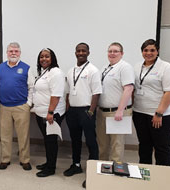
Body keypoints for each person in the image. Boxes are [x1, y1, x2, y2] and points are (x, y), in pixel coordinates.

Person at [64, 43, 101, 189]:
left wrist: (91, 111)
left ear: (88, 53)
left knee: (91, 141)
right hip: (72, 111)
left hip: (86, 111)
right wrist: (67, 109)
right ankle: (76, 164)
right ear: (75, 53)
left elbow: (96, 93)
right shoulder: (70, 70)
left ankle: (93, 171)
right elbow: (68, 92)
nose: (81, 53)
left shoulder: (93, 70)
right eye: (78, 51)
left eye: (83, 51)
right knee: (75, 140)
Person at [133, 39, 170, 166]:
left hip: (160, 115)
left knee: (161, 147)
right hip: (139, 112)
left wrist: (159, 113)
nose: (149, 53)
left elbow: (169, 92)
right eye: (145, 50)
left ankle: (163, 179)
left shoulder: (166, 67)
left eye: (152, 50)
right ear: (142, 52)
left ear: (157, 51)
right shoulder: (137, 66)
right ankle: (146, 175)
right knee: (144, 146)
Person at [0, 42, 34, 171]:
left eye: (16, 51)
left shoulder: (26, 68)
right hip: (4, 107)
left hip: (21, 107)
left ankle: (25, 160)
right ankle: (5, 159)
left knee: (23, 135)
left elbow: (31, 88)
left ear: (20, 53)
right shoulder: (0, 67)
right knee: (5, 135)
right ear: (7, 53)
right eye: (11, 51)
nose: (13, 53)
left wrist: (28, 104)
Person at [96, 42, 135, 162]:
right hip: (102, 112)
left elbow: (129, 89)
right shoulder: (105, 68)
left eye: (115, 51)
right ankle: (102, 169)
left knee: (116, 146)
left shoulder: (125, 67)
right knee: (102, 144)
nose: (112, 54)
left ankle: (115, 173)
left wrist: (120, 110)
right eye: (110, 51)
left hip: (117, 113)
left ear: (121, 53)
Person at [33, 48, 66, 177]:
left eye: (47, 56)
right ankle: (48, 162)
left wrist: (50, 113)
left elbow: (56, 95)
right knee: (47, 140)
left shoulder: (56, 72)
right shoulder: (45, 72)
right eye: (41, 57)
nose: (44, 59)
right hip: (41, 112)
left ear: (52, 58)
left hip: (51, 114)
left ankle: (51, 168)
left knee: (51, 141)